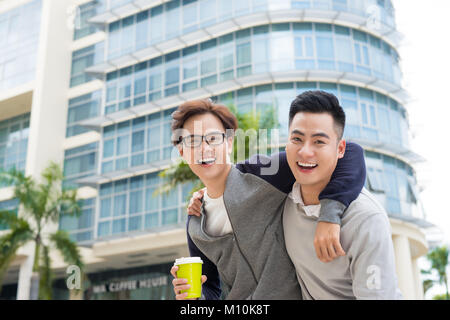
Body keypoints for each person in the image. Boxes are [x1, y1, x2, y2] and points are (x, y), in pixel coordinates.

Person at [169, 98, 366, 299]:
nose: (204, 149)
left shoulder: (262, 175)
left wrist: (329, 214)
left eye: (212, 138)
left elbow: (350, 152)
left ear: (228, 143)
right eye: (193, 141)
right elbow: (210, 289)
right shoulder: (195, 223)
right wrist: (192, 296)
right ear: (182, 151)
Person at [282, 90, 402, 299]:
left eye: (319, 142)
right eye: (297, 139)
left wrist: (329, 213)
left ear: (340, 149)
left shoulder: (365, 219)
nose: (305, 152)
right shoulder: (283, 196)